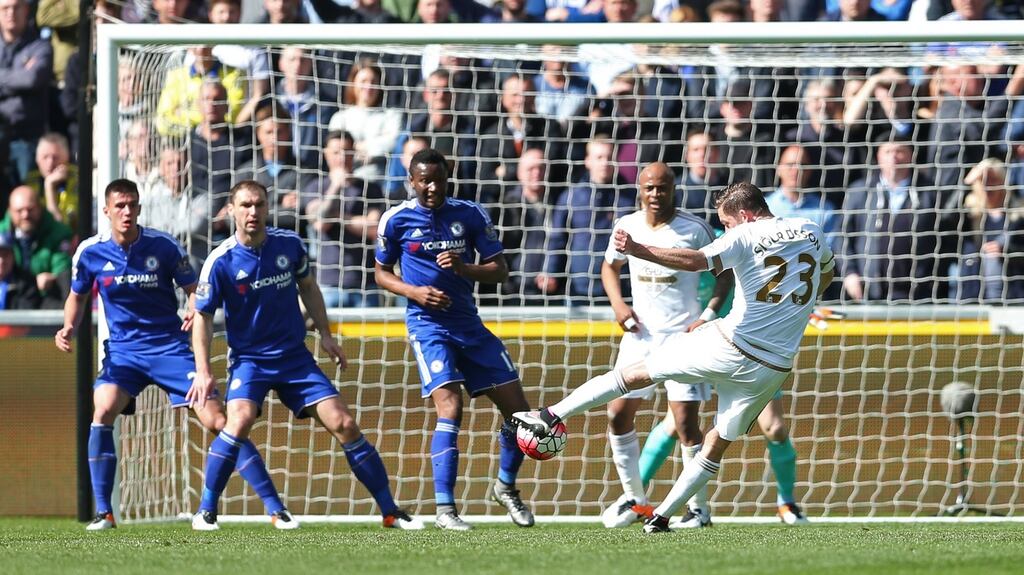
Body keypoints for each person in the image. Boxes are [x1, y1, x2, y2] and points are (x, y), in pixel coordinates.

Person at [514, 181, 835, 532]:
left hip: (730, 346)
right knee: (716, 443)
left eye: (726, 224)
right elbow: (826, 272)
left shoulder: (744, 235)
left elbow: (697, 260)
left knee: (638, 373)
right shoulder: (810, 229)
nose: (725, 230)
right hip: (773, 367)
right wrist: (798, 306)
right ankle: (663, 517)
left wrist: (639, 249)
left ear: (743, 215)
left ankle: (549, 414)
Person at [54, 179, 294, 531]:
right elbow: (77, 295)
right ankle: (104, 512)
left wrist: (192, 307)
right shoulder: (90, 253)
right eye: (119, 205)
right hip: (124, 354)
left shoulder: (163, 246)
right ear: (106, 210)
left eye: (132, 204)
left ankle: (276, 508)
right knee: (102, 408)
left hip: (170, 349)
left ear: (139, 208)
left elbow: (197, 289)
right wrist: (68, 327)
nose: (126, 211)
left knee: (217, 420)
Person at [189, 180, 422, 531]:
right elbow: (202, 319)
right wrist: (204, 371)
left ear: (268, 208)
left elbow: (309, 288)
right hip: (250, 360)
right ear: (232, 210)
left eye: (260, 205)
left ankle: (390, 511)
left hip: (294, 358)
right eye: (246, 205)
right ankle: (206, 511)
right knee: (238, 421)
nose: (253, 212)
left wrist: (326, 335)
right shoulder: (220, 261)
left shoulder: (289, 245)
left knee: (344, 423)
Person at [374, 148, 535, 530]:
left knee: (521, 414)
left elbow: (499, 271)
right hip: (428, 326)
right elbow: (381, 273)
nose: (431, 187)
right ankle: (446, 510)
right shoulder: (395, 220)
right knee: (451, 407)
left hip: (470, 325)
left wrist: (464, 268)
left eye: (438, 179)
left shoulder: (470, 214)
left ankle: (506, 487)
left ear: (449, 178)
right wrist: (414, 292)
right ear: (411, 182)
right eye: (424, 180)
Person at [598, 163, 732, 529]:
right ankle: (635, 500)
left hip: (682, 340)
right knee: (617, 413)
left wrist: (708, 314)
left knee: (687, 426)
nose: (655, 195)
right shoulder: (626, 226)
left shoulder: (695, 229)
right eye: (649, 188)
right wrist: (619, 306)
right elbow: (609, 267)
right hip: (640, 337)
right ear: (639, 189)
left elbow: (725, 273)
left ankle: (699, 510)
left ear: (674, 189)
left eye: (663, 188)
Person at [0, 185, 73, 303]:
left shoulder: (59, 234)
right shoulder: (1, 233)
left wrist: (53, 279)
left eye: (30, 209)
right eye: (19, 211)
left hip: (47, 300)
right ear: (10, 211)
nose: (25, 215)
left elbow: (63, 271)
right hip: (10, 298)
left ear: (40, 207)